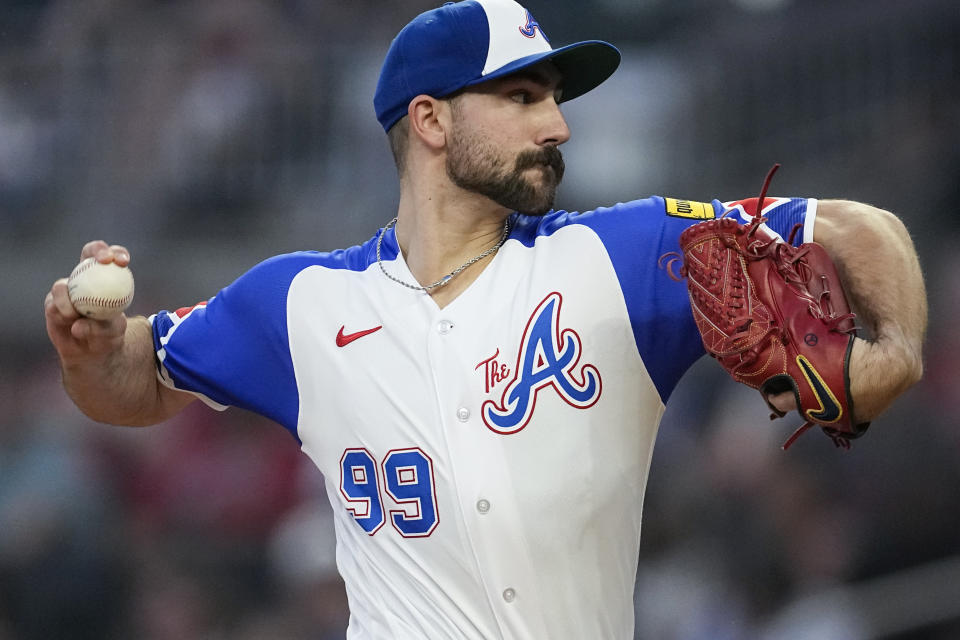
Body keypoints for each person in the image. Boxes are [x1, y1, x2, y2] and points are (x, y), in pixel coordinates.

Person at [44, 0, 927, 638]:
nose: (558, 124)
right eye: (521, 96)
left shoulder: (622, 255)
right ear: (429, 119)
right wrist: (86, 350)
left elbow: (859, 228)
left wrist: (896, 352)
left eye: (553, 97)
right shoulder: (301, 303)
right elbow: (137, 381)